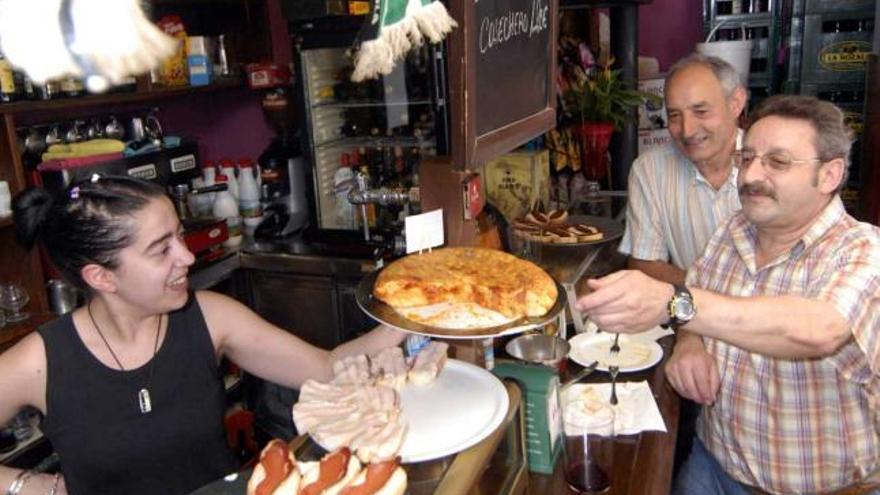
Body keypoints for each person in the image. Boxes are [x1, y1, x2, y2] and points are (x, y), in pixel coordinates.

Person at [0, 175, 407, 495]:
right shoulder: (41, 361)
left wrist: (416, 318)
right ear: (101, 277)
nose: (187, 256)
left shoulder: (209, 317)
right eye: (162, 250)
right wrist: (37, 486)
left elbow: (325, 366)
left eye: (179, 235)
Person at [578, 95, 880, 494]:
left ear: (829, 175)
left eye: (778, 162)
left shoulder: (863, 251)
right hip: (713, 467)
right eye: (747, 157)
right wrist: (689, 343)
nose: (751, 175)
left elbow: (818, 328)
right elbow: (699, 307)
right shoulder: (732, 231)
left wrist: (673, 303)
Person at [617, 52, 746, 470]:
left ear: (736, 103)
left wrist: (691, 295)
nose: (687, 130)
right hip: (691, 331)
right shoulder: (650, 171)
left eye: (700, 111)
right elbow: (644, 266)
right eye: (674, 115)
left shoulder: (769, 165)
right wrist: (702, 314)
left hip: (760, 346)